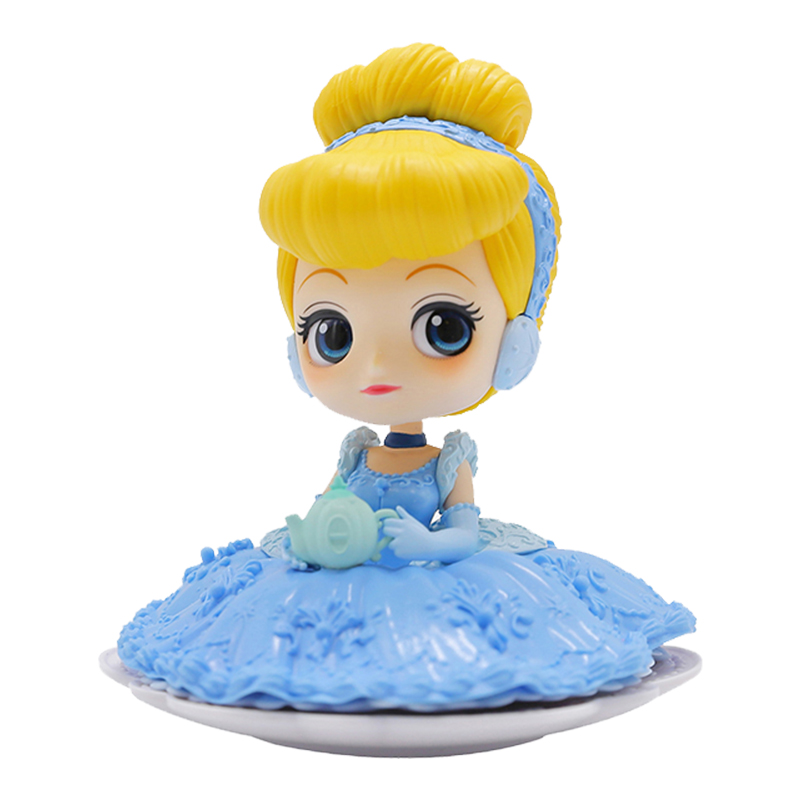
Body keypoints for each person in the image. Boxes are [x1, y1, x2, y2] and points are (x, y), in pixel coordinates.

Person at [118, 44, 694, 711]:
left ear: (513, 343)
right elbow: (331, 506)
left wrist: (429, 543)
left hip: (437, 578)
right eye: (332, 332)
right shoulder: (355, 453)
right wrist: (316, 534)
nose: (377, 368)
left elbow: (464, 532)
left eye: (443, 326)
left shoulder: (450, 462)